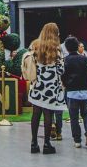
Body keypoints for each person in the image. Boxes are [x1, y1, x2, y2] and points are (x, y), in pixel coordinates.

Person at [27, 22, 66, 154]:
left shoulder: (34, 46)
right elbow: (61, 70)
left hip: (37, 85)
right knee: (48, 114)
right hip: (51, 87)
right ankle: (47, 144)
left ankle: (33, 143)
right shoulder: (57, 49)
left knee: (36, 114)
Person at [62, 36, 87, 148]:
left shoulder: (65, 60)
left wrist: (67, 83)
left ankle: (77, 140)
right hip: (84, 91)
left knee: (74, 117)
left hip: (71, 92)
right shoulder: (84, 58)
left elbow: (63, 75)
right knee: (86, 114)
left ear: (66, 48)